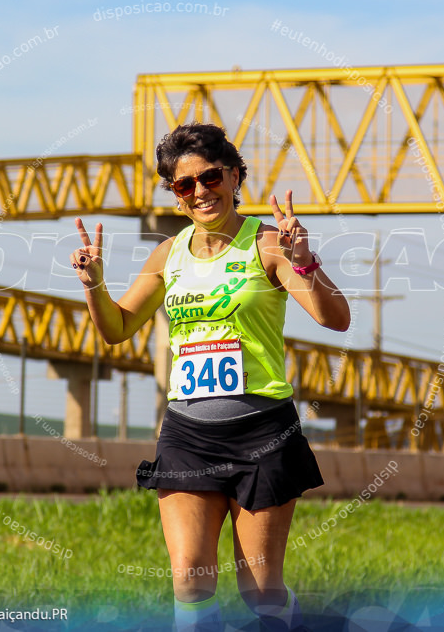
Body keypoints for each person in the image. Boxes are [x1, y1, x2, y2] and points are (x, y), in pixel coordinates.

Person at [71, 123, 350, 631]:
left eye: (211, 177)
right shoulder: (168, 254)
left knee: (261, 593)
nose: (200, 191)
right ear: (175, 195)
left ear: (235, 176)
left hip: (263, 433)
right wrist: (95, 285)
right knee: (190, 584)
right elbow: (117, 328)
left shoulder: (267, 245)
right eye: (184, 185)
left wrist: (303, 261)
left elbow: (336, 318)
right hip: (188, 435)